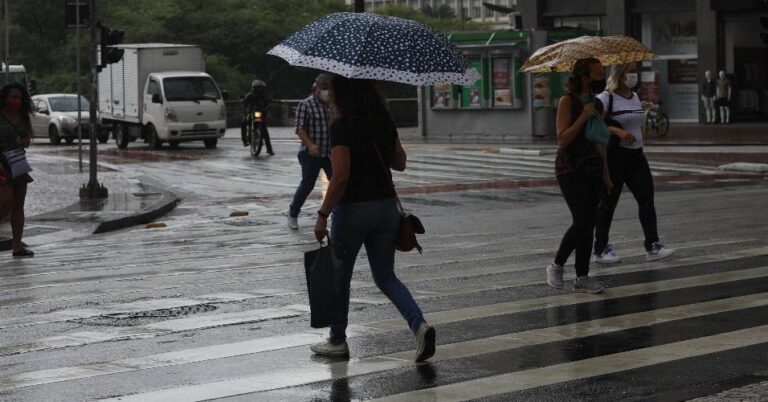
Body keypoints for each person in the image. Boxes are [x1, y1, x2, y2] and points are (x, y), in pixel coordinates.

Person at [311, 76, 435, 362]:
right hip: (386, 208)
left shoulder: (342, 126)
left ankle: (337, 340)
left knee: (340, 277)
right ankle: (419, 325)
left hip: (353, 209)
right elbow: (400, 163)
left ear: (341, 94)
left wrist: (322, 215)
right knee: (386, 276)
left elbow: (340, 176)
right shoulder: (384, 121)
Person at [593, 63, 674, 264]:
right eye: (630, 71)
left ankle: (652, 245)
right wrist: (619, 132)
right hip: (615, 158)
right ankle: (601, 248)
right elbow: (594, 126)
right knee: (608, 204)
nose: (634, 75)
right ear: (620, 75)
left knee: (647, 200)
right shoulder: (605, 98)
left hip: (637, 156)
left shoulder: (635, 96)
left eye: (634, 71)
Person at [547, 58, 610, 294]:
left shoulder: (598, 104)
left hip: (592, 167)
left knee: (590, 222)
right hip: (569, 167)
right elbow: (562, 138)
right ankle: (557, 265)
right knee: (582, 219)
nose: (601, 77)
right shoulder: (568, 101)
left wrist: (607, 175)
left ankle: (582, 276)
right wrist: (583, 116)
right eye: (597, 73)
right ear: (584, 77)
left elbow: (599, 142)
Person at [288, 74, 333, 230]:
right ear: (316, 88)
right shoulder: (305, 105)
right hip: (310, 153)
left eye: (329, 89)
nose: (326, 92)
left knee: (336, 184)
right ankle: (293, 213)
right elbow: (299, 129)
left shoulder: (332, 106)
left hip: (329, 153)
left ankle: (338, 213)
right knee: (307, 184)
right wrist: (311, 145)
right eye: (323, 89)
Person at [0, 83, 34, 258]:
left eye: (20, 98)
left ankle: (17, 246)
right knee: (5, 204)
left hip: (18, 163)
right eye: (14, 97)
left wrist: (25, 141)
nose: (17, 101)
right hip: (1, 163)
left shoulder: (23, 116)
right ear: (5, 98)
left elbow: (28, 135)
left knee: (19, 204)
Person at [240, 79, 274, 155]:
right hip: (258, 114)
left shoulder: (252, 95)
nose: (261, 90)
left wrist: (243, 101)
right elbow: (244, 101)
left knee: (244, 123)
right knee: (264, 130)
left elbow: (244, 101)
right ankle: (269, 149)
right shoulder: (255, 95)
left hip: (258, 114)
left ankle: (245, 141)